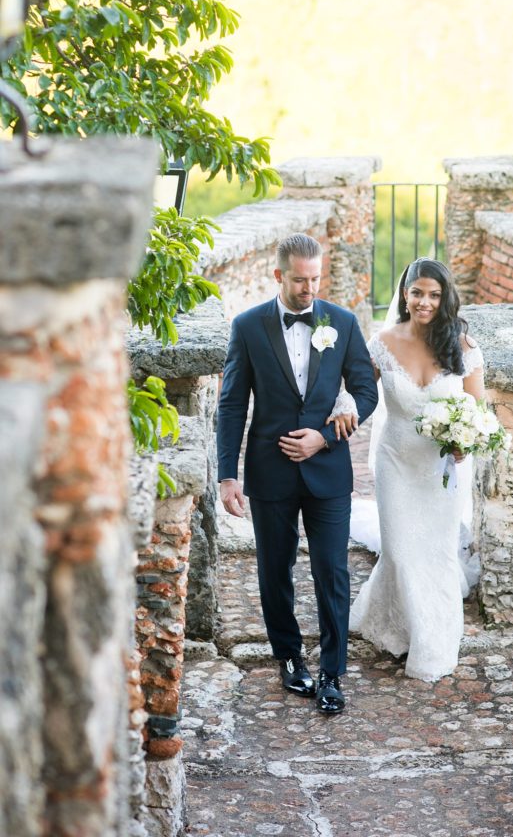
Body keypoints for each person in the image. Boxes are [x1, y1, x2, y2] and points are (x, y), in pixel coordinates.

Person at [217, 233, 378, 714]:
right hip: (269, 472)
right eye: (299, 280)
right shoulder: (248, 327)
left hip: (328, 471)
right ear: (278, 276)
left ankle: (332, 671)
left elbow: (366, 392)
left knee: (332, 570)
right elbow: (231, 404)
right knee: (275, 570)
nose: (309, 289)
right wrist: (228, 475)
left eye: (315, 279)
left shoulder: (343, 323)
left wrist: (326, 436)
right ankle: (289, 659)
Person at [348, 257, 485, 682]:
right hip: (396, 464)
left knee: (438, 552)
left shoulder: (461, 344)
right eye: (416, 292)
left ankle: (432, 642)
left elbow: (477, 408)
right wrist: (341, 406)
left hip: (442, 469)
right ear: (404, 295)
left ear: (444, 298)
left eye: (433, 294)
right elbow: (359, 393)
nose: (424, 302)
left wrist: (465, 441)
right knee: (402, 551)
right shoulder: (382, 342)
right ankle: (398, 625)